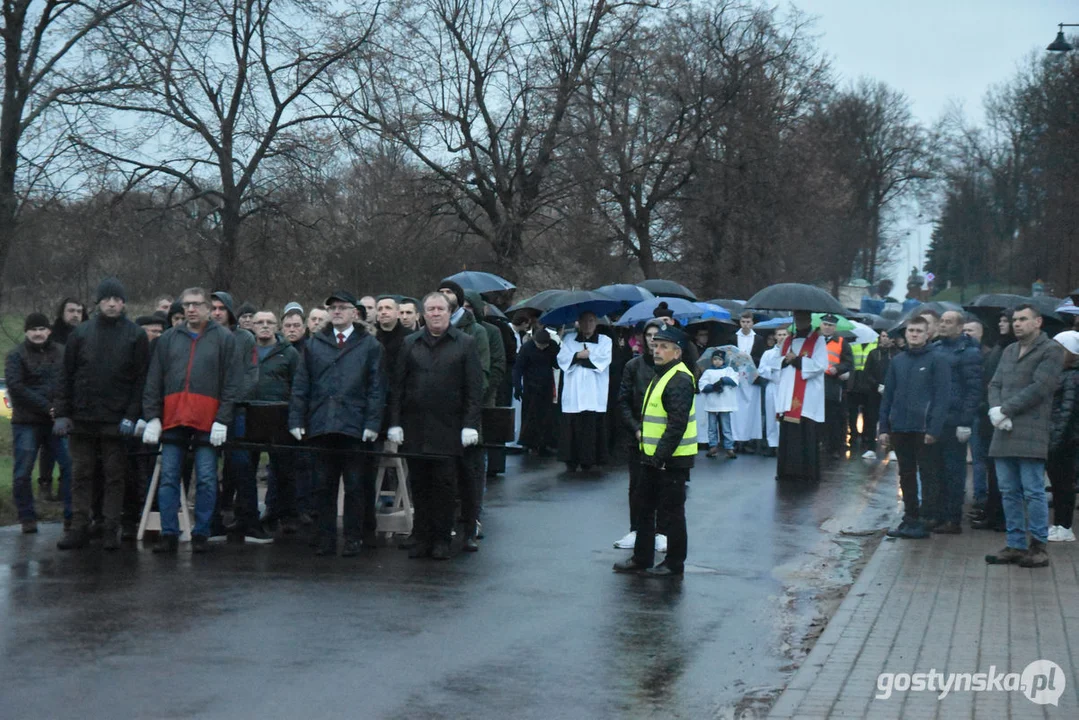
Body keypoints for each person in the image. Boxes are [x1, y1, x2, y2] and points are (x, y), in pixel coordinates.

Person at [141, 287, 242, 553]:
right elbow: (154, 380)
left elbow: (232, 382)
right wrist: (152, 417)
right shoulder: (168, 339)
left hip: (208, 420)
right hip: (173, 418)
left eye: (197, 304)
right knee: (169, 477)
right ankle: (169, 533)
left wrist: (223, 419)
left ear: (209, 308)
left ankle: (201, 533)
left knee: (207, 477)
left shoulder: (224, 339)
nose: (191, 309)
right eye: (187, 304)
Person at [55, 278, 149, 551]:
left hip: (116, 419)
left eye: (117, 299)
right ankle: (79, 526)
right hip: (82, 417)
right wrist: (62, 412)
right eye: (107, 298)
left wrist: (132, 414)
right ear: (97, 302)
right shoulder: (80, 334)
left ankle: (110, 528)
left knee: (114, 476)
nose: (112, 303)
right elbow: (65, 375)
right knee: (81, 473)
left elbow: (140, 379)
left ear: (124, 303)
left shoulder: (135, 335)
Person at [388, 291, 483, 560]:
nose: (436, 313)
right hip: (416, 427)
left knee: (444, 487)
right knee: (418, 484)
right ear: (423, 314)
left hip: (449, 428)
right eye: (430, 309)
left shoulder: (465, 343)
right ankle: (421, 537)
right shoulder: (410, 343)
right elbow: (398, 387)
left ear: (449, 312)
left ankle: (441, 539)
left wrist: (470, 425)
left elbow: (474, 388)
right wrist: (395, 423)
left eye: (440, 309)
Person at [289, 290, 384, 558]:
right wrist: (296, 418)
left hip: (353, 425)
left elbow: (377, 387)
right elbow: (301, 384)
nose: (337, 312)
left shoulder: (369, 345)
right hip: (321, 424)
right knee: (323, 485)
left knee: (355, 485)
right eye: (333, 308)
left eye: (342, 307)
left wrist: (372, 422)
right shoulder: (315, 344)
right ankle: (325, 537)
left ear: (354, 312)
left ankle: (354, 537)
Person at [985, 304, 1064, 568]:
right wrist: (996, 410)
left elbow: (1041, 387)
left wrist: (1005, 409)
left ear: (1038, 322)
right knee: (1008, 490)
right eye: (1014, 319)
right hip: (1003, 428)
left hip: (1030, 429)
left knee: (1033, 491)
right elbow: (994, 383)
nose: (1017, 323)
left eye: (1023, 319)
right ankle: (1015, 544)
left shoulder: (1051, 350)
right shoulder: (1009, 350)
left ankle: (1039, 546)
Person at [613, 325, 695, 578]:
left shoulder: (679, 378)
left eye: (663, 347)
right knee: (644, 508)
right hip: (650, 456)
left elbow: (676, 424)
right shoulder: (663, 374)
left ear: (677, 352)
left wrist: (659, 457)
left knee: (671, 513)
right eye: (655, 345)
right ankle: (642, 557)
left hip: (670, 459)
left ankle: (674, 563)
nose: (656, 350)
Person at [878, 316, 951, 540]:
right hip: (900, 427)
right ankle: (909, 517)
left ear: (928, 334)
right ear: (905, 333)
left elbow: (942, 398)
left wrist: (934, 429)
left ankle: (926, 518)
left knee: (928, 474)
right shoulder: (898, 361)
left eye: (919, 331)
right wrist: (883, 428)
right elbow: (888, 395)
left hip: (923, 428)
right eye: (911, 331)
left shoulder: (937, 360)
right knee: (906, 474)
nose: (914, 334)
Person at [6, 313, 72, 534]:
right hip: (27, 421)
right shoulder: (15, 355)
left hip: (58, 421)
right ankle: (26, 517)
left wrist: (60, 410)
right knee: (23, 471)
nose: (38, 333)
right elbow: (16, 387)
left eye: (42, 329)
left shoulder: (62, 352)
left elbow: (68, 381)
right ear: (26, 332)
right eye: (33, 329)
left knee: (71, 466)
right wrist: (48, 407)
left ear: (49, 331)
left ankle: (73, 516)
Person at [925, 310, 981, 534]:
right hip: (936, 420)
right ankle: (937, 515)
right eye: (942, 321)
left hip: (954, 420)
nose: (943, 325)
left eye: (949, 322)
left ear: (960, 327)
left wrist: (965, 421)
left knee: (953, 472)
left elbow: (973, 390)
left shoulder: (969, 352)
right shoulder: (936, 348)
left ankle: (952, 518)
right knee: (935, 470)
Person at [249, 310, 301, 532]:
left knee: (283, 468)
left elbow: (298, 386)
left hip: (280, 416)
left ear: (277, 326)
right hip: (250, 415)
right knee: (245, 467)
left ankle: (286, 514)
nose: (264, 326)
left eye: (269, 322)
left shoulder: (289, 353)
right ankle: (247, 515)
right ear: (252, 325)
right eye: (260, 322)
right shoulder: (244, 351)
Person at [614, 320, 663, 551]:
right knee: (637, 485)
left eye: (657, 336)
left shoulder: (670, 367)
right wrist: (635, 428)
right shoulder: (633, 366)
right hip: (637, 436)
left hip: (663, 437)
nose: (653, 340)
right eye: (649, 335)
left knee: (663, 485)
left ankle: (661, 531)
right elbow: (623, 401)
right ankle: (636, 529)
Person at [971, 311, 1014, 531]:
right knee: (991, 467)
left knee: (1000, 471)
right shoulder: (1000, 346)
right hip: (987, 412)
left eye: (1006, 320)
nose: (1002, 323)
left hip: (998, 413)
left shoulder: (1010, 348)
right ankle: (992, 510)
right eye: (1002, 320)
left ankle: (1000, 515)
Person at [774, 311, 828, 482]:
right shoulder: (788, 340)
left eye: (803, 319)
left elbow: (820, 365)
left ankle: (806, 473)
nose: (800, 322)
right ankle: (786, 471)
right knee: (788, 434)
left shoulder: (817, 340)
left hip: (808, 395)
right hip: (788, 391)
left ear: (809, 320)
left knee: (806, 433)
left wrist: (797, 360)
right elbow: (775, 362)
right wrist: (785, 360)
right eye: (797, 319)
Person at [557, 311, 613, 472]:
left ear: (596, 323)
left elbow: (603, 361)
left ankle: (590, 459)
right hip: (573, 389)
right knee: (572, 426)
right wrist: (578, 355)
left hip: (594, 390)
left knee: (590, 425)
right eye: (584, 321)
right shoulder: (568, 340)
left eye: (591, 321)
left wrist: (581, 359)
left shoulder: (604, 341)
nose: (588, 325)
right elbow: (562, 359)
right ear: (579, 323)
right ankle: (571, 459)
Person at [1047, 331, 1079, 543]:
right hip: (1059, 437)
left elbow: (1067, 411)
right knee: (1059, 485)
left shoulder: (1072, 376)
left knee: (1064, 484)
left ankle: (1065, 525)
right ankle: (1059, 523)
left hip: (1067, 440)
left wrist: (1055, 441)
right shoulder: (1061, 373)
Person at [513, 321, 559, 455]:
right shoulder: (527, 348)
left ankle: (544, 443)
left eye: (545, 345)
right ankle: (528, 443)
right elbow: (518, 368)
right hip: (530, 385)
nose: (542, 348)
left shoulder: (552, 346)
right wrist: (517, 386)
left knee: (546, 416)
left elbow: (557, 363)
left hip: (546, 385)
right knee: (530, 415)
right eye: (540, 345)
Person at [819, 314, 853, 458]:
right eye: (825, 324)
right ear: (821, 325)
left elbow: (849, 363)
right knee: (816, 416)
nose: (827, 327)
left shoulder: (841, 342)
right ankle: (819, 443)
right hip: (816, 381)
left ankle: (833, 448)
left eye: (830, 325)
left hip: (832, 383)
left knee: (832, 417)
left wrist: (838, 369)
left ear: (835, 327)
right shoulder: (816, 340)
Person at [859, 331, 896, 460]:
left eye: (888, 336)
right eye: (883, 336)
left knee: (891, 420)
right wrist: (877, 385)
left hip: (891, 393)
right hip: (874, 392)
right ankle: (871, 448)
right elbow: (867, 372)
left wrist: (889, 386)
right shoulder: (873, 353)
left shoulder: (896, 354)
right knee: (871, 419)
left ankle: (892, 448)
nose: (885, 339)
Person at [698, 350, 739, 459]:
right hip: (712, 403)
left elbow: (735, 382)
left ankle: (729, 447)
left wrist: (724, 380)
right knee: (712, 426)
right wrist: (713, 387)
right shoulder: (708, 372)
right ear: (712, 360)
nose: (717, 361)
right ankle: (713, 446)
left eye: (720, 359)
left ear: (723, 361)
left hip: (725, 403)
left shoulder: (729, 370)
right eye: (715, 359)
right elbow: (702, 385)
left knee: (726, 426)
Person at [758, 326, 791, 455]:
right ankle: (772, 444)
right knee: (771, 416)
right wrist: (772, 369)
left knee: (784, 415)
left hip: (786, 387)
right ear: (775, 337)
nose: (782, 337)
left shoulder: (791, 353)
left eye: (784, 335)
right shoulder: (768, 353)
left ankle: (784, 445)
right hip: (772, 386)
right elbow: (761, 370)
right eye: (779, 335)